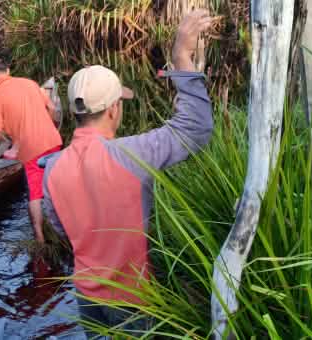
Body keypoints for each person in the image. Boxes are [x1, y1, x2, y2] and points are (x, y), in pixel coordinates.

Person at [41, 10, 215, 337]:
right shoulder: (133, 155)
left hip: (86, 294)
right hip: (133, 299)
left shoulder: (51, 168)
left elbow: (58, 225)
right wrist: (181, 55)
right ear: (113, 109)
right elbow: (196, 128)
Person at [0, 56, 63, 243]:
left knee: (35, 195)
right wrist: (50, 126)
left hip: (32, 149)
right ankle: (64, 229)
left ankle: (40, 238)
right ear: (8, 71)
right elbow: (52, 108)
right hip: (54, 141)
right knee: (56, 185)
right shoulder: (29, 83)